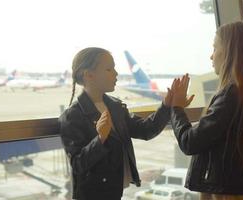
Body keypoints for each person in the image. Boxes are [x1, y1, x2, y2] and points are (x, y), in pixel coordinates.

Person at [169, 21, 243, 200]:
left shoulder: (231, 95)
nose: (211, 56)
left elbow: (190, 142)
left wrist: (176, 108)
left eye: (215, 48)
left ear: (230, 52)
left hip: (233, 194)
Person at [59, 47, 172, 200]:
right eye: (109, 69)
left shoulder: (116, 107)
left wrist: (167, 105)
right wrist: (100, 139)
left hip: (114, 189)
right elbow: (78, 165)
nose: (116, 73)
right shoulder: (73, 116)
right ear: (89, 75)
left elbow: (145, 130)